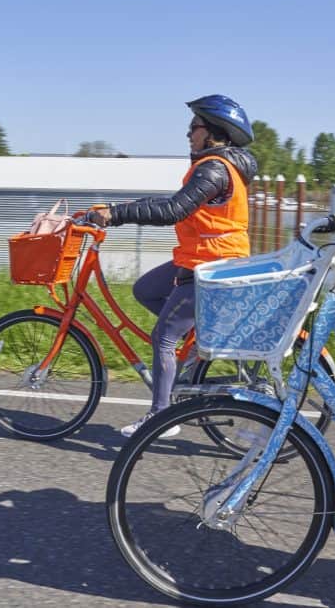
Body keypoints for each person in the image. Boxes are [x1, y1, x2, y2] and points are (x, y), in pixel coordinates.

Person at [87, 95, 258, 437]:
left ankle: (162, 418)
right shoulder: (214, 166)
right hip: (199, 257)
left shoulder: (215, 168)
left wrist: (117, 215)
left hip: (212, 265)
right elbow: (173, 204)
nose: (188, 134)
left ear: (213, 132)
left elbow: (173, 210)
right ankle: (195, 344)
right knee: (145, 290)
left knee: (163, 337)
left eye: (193, 127)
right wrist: (118, 207)